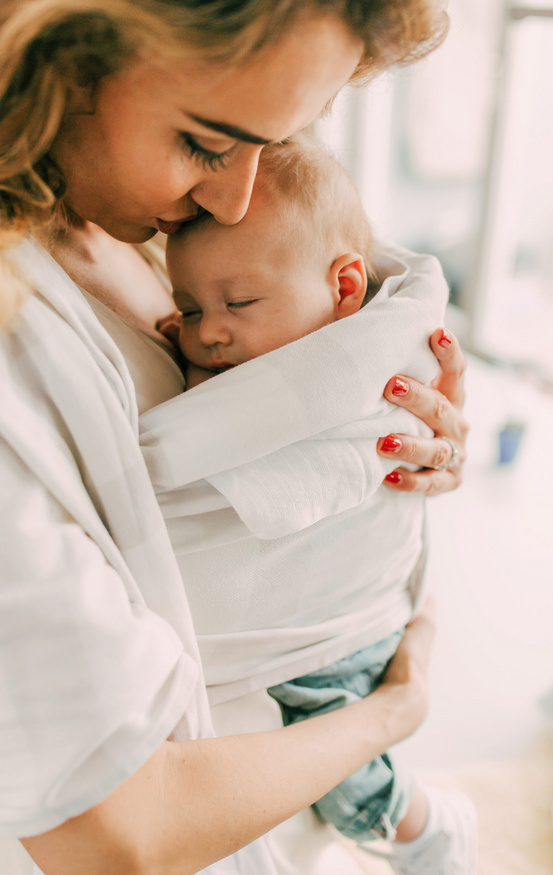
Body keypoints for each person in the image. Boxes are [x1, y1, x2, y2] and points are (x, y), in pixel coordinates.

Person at [0, 2, 469, 875]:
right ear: (55, 56)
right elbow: (119, 834)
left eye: (276, 139)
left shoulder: (119, 216)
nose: (234, 197)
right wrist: (388, 713)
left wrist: (378, 426)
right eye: (208, 144)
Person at [144, 135, 477, 874]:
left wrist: (427, 436)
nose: (210, 331)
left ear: (346, 287)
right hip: (314, 630)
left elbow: (218, 437)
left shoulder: (343, 351)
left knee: (345, 770)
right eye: (189, 307)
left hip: (338, 638)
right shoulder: (241, 316)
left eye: (239, 302)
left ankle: (423, 830)